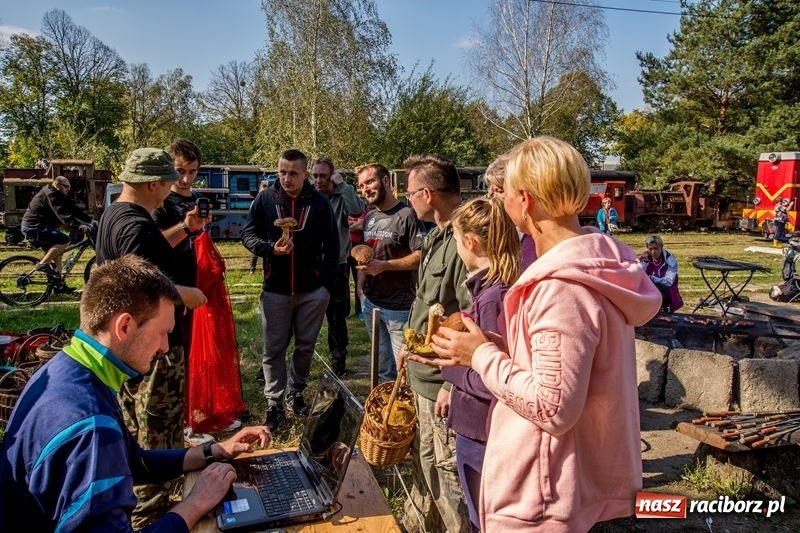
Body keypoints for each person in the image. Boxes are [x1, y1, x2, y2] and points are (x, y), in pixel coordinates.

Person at [415, 136, 662, 531]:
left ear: (524, 200)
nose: (501, 202)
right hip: (565, 477)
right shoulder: (596, 267)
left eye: (505, 193)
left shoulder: (560, 288)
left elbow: (552, 407)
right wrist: (498, 348)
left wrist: (480, 356)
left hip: (543, 493)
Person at [0, 255, 271, 532]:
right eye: (163, 332)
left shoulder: (67, 370)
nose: (165, 347)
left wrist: (213, 451)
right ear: (125, 326)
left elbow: (134, 461)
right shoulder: (90, 424)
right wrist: (196, 502)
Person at [95, 147, 210, 528]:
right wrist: (184, 295)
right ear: (153, 184)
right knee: (158, 422)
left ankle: (149, 500)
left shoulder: (119, 215)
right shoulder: (135, 226)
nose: (175, 186)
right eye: (169, 180)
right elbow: (136, 289)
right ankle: (154, 513)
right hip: (154, 344)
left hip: (134, 343)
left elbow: (145, 261)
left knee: (137, 419)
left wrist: (185, 231)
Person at [241, 149, 339, 433]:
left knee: (305, 347)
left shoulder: (320, 203)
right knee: (273, 348)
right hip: (276, 289)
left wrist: (327, 286)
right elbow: (248, 234)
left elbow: (333, 245)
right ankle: (274, 402)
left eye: (293, 173)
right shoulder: (265, 199)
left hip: (312, 290)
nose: (286, 178)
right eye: (282, 172)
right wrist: (269, 249)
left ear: (305, 174)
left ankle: (296, 392)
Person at [399, 154, 471, 533]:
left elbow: (470, 318)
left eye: (411, 193)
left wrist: (451, 381)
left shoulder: (464, 240)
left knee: (447, 470)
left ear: (428, 194)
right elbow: (427, 303)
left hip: (440, 382)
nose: (408, 199)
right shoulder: (435, 238)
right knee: (425, 459)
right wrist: (406, 350)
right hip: (420, 372)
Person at [442, 196, 520, 533]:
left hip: (481, 432)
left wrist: (448, 367)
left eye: (457, 240)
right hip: (480, 430)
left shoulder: (492, 297)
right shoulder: (490, 289)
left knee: (482, 518)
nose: (457, 248)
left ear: (471, 243)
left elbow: (496, 378)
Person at [355, 163, 422, 383]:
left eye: (370, 182)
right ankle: (385, 412)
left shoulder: (407, 215)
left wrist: (385, 266)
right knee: (382, 369)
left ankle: (405, 414)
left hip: (399, 308)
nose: (366, 189)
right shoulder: (370, 218)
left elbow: (419, 257)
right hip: (371, 304)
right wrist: (360, 288)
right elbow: (366, 254)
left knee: (404, 371)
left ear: (386, 181)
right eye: (362, 185)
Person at [312, 158, 366, 376]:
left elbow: (357, 209)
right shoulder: (309, 195)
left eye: (323, 176)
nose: (318, 180)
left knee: (336, 318)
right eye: (314, 175)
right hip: (312, 265)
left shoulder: (341, 195)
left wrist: (343, 186)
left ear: (332, 176)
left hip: (338, 265)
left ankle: (338, 363)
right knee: (303, 314)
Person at [20, 175, 92, 275]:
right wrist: (77, 225)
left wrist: (90, 221)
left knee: (57, 254)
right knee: (65, 240)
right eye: (66, 187)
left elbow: (74, 209)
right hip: (34, 227)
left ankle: (58, 284)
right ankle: (43, 264)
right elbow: (62, 213)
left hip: (41, 226)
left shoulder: (58, 195)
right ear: (58, 185)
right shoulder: (50, 194)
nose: (68, 189)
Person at [483, 156, 536, 269]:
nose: (492, 201)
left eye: (499, 191)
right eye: (491, 192)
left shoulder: (535, 239)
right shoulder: (494, 230)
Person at [640, 234, 684, 313]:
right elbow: (639, 275)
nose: (653, 252)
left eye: (656, 248)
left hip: (666, 291)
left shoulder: (670, 260)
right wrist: (644, 263)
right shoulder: (644, 259)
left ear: (661, 247)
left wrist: (651, 278)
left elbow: (668, 281)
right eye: (651, 249)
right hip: (649, 289)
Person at [347, 206, 369, 318]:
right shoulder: (344, 206)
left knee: (359, 279)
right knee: (343, 279)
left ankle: (360, 310)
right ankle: (345, 311)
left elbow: (363, 225)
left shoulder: (363, 207)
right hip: (345, 246)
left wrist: (349, 224)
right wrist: (355, 224)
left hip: (359, 246)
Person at [248, 179, 271, 274]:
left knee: (266, 250)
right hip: (258, 229)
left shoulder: (268, 202)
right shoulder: (255, 202)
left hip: (265, 229)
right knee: (256, 250)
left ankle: (264, 270)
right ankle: (252, 269)